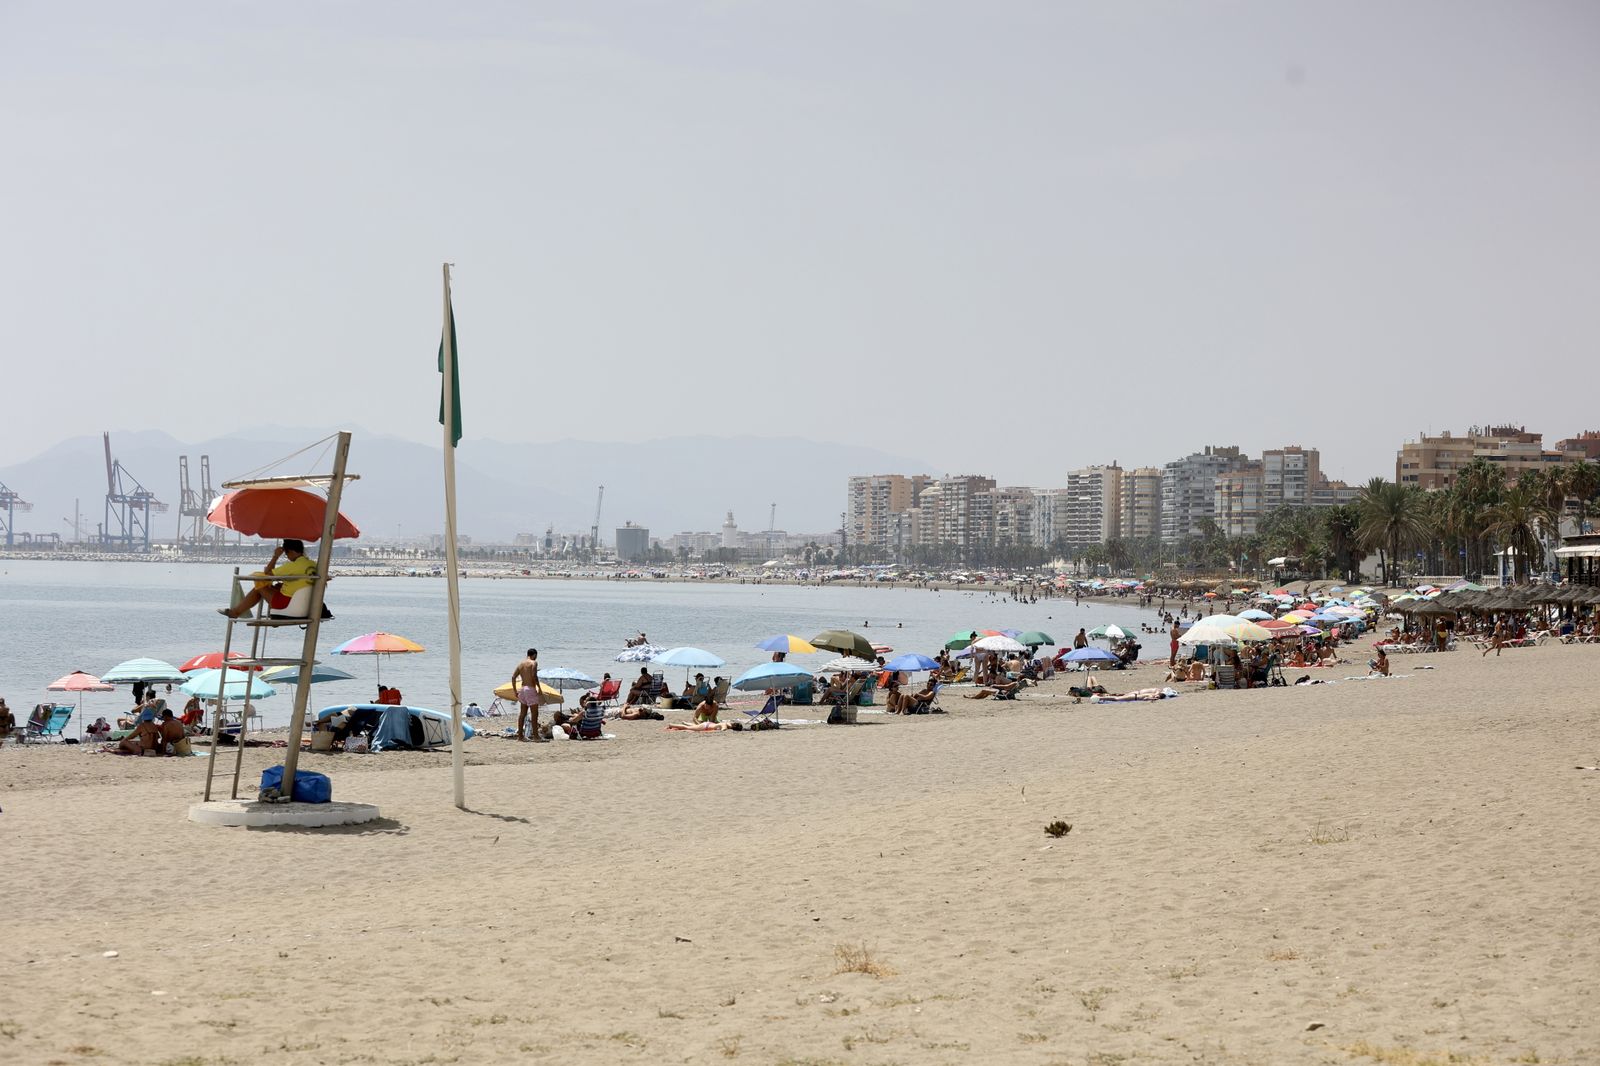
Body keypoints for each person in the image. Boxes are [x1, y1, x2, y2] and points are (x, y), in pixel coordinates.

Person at [219, 539, 316, 619]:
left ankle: (235, 612)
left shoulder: (293, 565)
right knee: (274, 587)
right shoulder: (313, 564)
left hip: (286, 604)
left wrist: (275, 556)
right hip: (305, 604)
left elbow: (268, 573)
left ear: (290, 551)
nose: (287, 557)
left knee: (259, 587)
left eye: (286, 554)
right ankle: (237, 612)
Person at [511, 648, 542, 742]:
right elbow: (534, 676)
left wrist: (515, 690)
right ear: (534, 655)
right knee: (534, 714)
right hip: (530, 689)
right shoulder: (534, 663)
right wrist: (539, 687)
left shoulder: (521, 664)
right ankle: (536, 737)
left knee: (522, 714)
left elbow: (513, 677)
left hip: (522, 689)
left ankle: (520, 736)